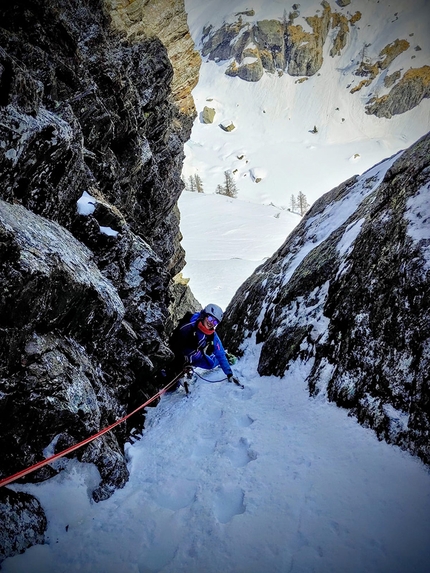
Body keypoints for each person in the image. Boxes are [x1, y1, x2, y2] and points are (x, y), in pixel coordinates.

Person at [163, 303, 242, 391]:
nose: (211, 323)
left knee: (211, 364)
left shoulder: (212, 335)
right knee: (172, 387)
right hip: (180, 358)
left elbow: (220, 353)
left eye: (215, 321)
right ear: (204, 315)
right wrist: (178, 369)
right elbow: (175, 348)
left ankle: (225, 359)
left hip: (196, 357)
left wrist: (229, 374)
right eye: (210, 318)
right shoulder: (188, 327)